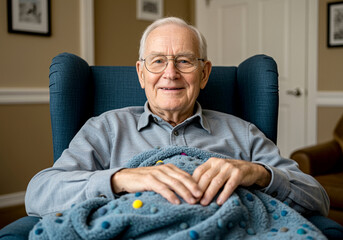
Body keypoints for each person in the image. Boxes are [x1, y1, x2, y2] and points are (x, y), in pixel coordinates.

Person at [25, 17, 329, 217]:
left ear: (204, 73)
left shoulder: (243, 133)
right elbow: (38, 194)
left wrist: (259, 174)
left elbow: (318, 198)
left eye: (184, 61)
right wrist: (120, 178)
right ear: (141, 74)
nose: (170, 74)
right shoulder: (105, 128)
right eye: (157, 61)